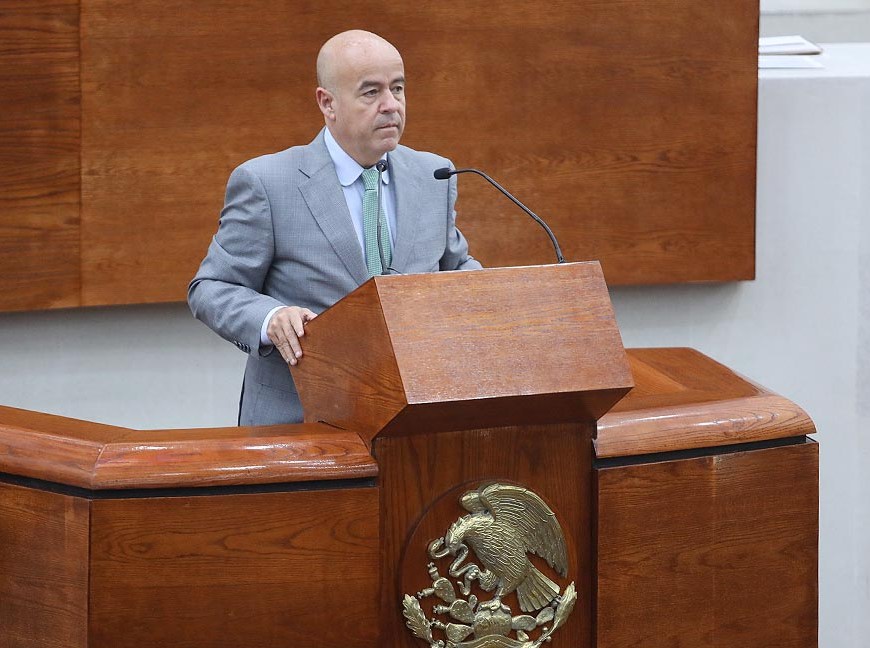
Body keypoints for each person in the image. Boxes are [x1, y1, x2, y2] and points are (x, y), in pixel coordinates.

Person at [188, 30, 481, 426]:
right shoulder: (268, 183)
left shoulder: (434, 174)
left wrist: (494, 297)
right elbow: (211, 288)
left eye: (397, 88)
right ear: (328, 103)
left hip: (415, 420)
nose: (391, 105)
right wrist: (270, 318)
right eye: (371, 92)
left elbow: (456, 270)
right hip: (299, 420)